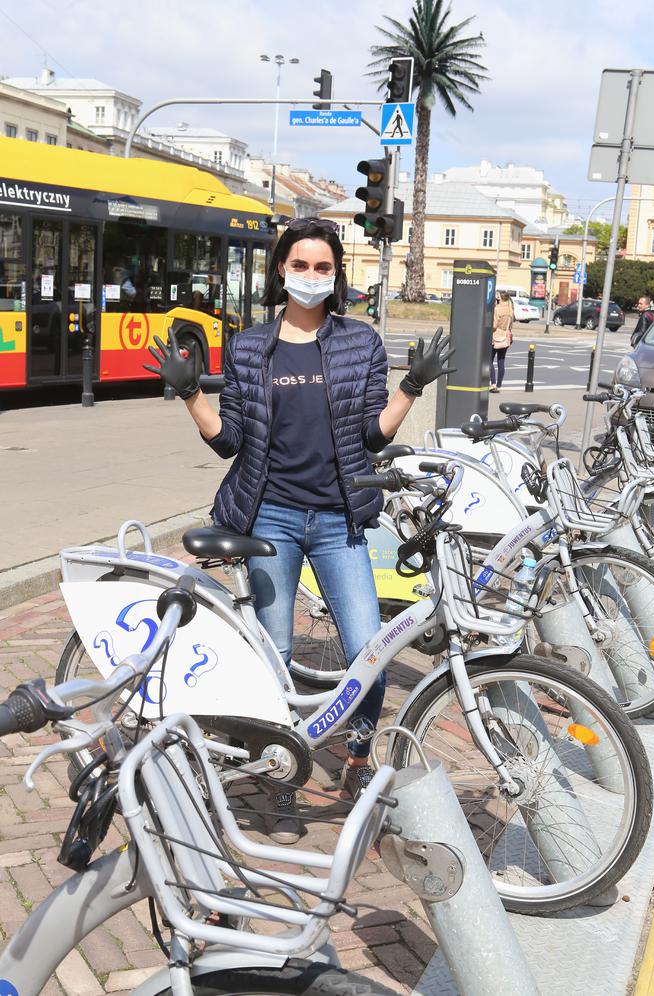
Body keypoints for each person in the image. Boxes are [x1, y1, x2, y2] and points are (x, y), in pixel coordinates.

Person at [145, 217, 453, 843]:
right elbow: (229, 440)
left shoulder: (358, 343)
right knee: (274, 654)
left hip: (340, 516)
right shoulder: (249, 347)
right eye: (300, 265)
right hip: (271, 518)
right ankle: (280, 777)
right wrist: (189, 397)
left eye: (323, 267)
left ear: (336, 275)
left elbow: (372, 436)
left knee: (368, 646)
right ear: (280, 270)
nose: (311, 277)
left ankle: (360, 758)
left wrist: (412, 388)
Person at [490, 291, 513, 393]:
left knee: (489, 360)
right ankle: (499, 385)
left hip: (496, 337)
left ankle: (493, 383)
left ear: (501, 298)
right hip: (506, 337)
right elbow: (511, 324)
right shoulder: (510, 309)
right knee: (501, 361)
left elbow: (494, 325)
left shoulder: (497, 309)